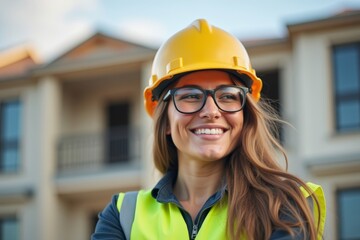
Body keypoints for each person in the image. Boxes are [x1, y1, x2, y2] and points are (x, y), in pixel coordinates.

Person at [92, 19, 326, 240]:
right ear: (164, 122)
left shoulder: (285, 204)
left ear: (244, 116)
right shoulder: (123, 215)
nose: (211, 111)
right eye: (191, 96)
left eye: (227, 96)